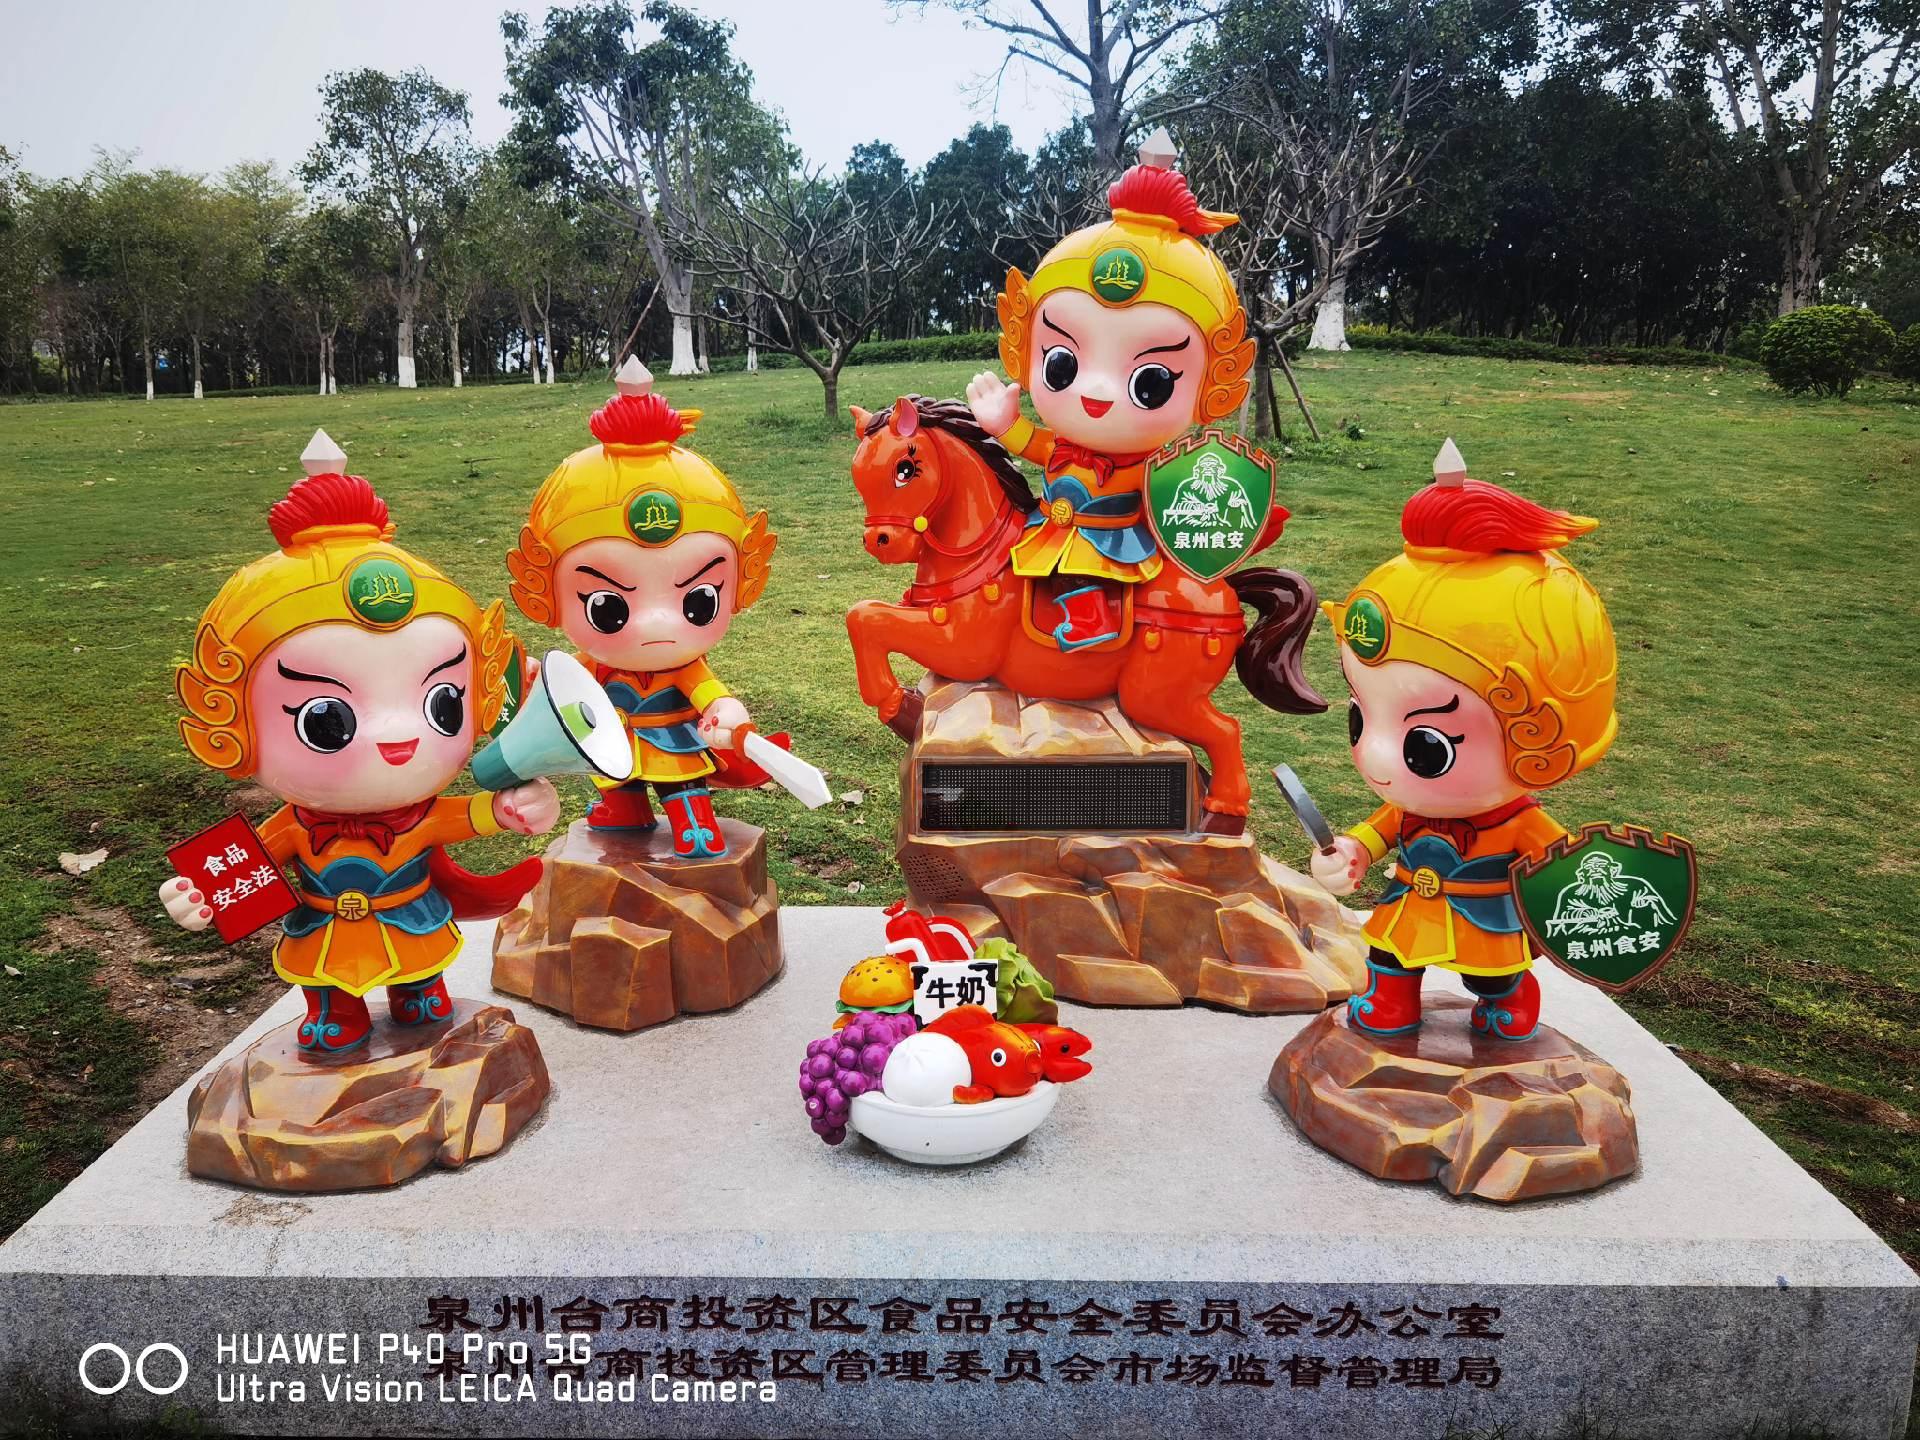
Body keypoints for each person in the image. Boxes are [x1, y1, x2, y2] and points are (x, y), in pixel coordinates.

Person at [163, 435, 558, 1053]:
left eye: (441, 703)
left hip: (407, 916)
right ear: (233, 724)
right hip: (326, 927)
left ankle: (417, 994)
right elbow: (247, 865)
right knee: (326, 983)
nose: (398, 736)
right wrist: (202, 894)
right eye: (326, 719)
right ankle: (335, 1013)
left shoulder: (420, 817)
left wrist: (517, 806)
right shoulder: (296, 825)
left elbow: (475, 814)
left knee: (419, 971)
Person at [1310, 444, 1619, 1040]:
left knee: (1491, 973)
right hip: (1412, 900)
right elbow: (1381, 830)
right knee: (1391, 956)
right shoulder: (1409, 808)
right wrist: (1352, 850)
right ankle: (1391, 1004)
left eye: (1427, 744)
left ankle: (1511, 997)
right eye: (1359, 717)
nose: (1375, 756)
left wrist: (1586, 896)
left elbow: (1565, 869)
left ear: (1537, 741)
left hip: (1484, 910)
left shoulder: (1517, 820)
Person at [965, 130, 1254, 651]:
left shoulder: (1151, 464)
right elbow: (1040, 446)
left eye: (1150, 381)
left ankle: (1094, 617)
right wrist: (1005, 425)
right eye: (1062, 363)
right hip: (1047, 525)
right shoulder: (1065, 446)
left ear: (1212, 383)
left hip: (1111, 536)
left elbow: (1177, 499)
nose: (1096, 389)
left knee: (1088, 568)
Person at [506, 360, 778, 857]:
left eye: (698, 601)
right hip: (614, 736)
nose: (656, 623)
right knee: (615, 776)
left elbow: (708, 691)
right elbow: (567, 681)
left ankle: (694, 821)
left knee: (681, 777)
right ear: (546, 593)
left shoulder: (686, 667)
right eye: (608, 607)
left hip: (671, 732)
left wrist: (724, 709)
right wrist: (537, 679)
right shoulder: (596, 665)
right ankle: (624, 809)